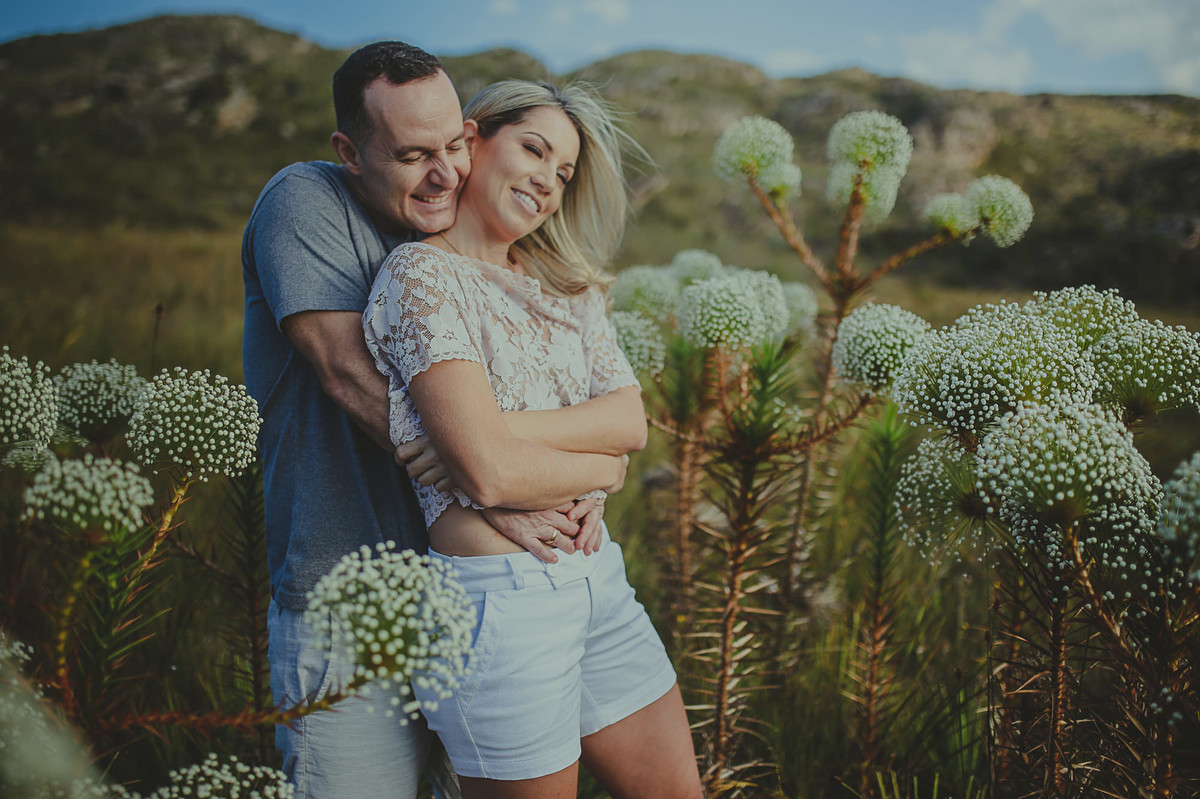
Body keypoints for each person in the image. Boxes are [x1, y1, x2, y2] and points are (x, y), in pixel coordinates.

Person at [241, 43, 591, 799]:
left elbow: (534, 401)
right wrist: (491, 484)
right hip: (346, 608)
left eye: (454, 146)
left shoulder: (461, 233)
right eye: (410, 155)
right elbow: (344, 373)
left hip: (472, 600)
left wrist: (585, 474)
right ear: (350, 152)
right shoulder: (305, 201)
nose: (444, 174)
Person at [364, 80, 703, 799]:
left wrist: (499, 431)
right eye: (535, 149)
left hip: (600, 582)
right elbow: (486, 475)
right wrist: (566, 459)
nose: (549, 181)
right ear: (473, 138)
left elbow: (628, 431)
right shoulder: (422, 276)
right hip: (498, 604)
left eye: (565, 172)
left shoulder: (570, 288)